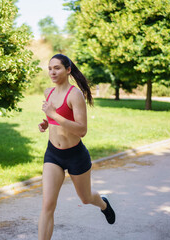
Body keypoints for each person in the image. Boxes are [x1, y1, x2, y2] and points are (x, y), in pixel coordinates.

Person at [38, 54, 116, 240]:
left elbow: (82, 130)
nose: (52, 72)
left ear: (68, 70)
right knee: (47, 204)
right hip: (53, 154)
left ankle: (103, 204)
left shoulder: (75, 95)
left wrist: (54, 116)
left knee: (86, 198)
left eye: (57, 68)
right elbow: (56, 118)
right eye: (50, 68)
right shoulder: (48, 92)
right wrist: (47, 123)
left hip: (75, 155)